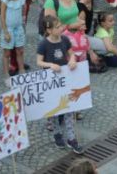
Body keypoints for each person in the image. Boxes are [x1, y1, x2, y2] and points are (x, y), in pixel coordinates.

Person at [37, 15, 82, 153]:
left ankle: (71, 138)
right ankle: (57, 133)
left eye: (60, 25)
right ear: (49, 30)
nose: (61, 28)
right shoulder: (43, 44)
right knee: (55, 109)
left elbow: (71, 53)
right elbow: (39, 62)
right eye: (57, 27)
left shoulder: (65, 39)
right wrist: (50, 65)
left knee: (68, 109)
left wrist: (73, 60)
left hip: (64, 79)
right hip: (52, 81)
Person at [0, 0, 26, 81]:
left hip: (19, 28)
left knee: (20, 51)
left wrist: (22, 23)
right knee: (7, 53)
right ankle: (6, 74)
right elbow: (2, 16)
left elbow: (23, 11)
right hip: (9, 30)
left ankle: (21, 70)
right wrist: (5, 32)